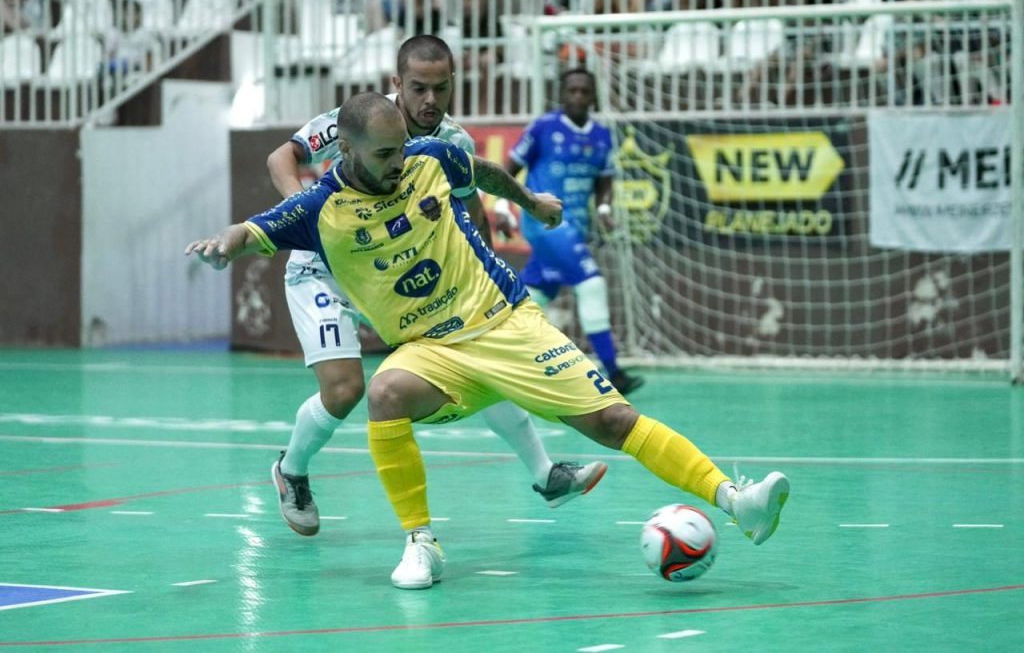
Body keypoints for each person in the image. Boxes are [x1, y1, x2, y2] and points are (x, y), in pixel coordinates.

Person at [186, 91, 790, 590]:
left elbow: (484, 172)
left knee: (613, 421)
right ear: (346, 150)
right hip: (430, 351)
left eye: (402, 147)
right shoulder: (318, 208)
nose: (399, 161)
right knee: (384, 393)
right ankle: (421, 542)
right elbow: (250, 231)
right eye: (385, 153)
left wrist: (532, 202)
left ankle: (737, 502)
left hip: (504, 322)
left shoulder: (429, 157)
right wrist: (222, 246)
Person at [263, 35, 606, 538]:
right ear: (398, 84)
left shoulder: (454, 142)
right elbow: (281, 158)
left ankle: (545, 474)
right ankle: (291, 471)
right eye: (418, 88)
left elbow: (471, 211)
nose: (430, 100)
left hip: (391, 279)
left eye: (440, 88)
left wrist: (487, 278)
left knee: (475, 350)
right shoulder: (359, 119)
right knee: (344, 390)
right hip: (323, 272)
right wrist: (308, 217)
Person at [504, 67, 644, 396]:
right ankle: (614, 372)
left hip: (576, 226)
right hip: (544, 222)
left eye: (584, 91)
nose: (578, 96)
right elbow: (509, 168)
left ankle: (497, 356)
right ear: (562, 94)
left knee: (535, 294)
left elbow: (605, 180)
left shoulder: (602, 135)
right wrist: (501, 206)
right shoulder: (543, 127)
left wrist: (604, 209)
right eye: (572, 90)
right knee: (591, 284)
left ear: (593, 96)